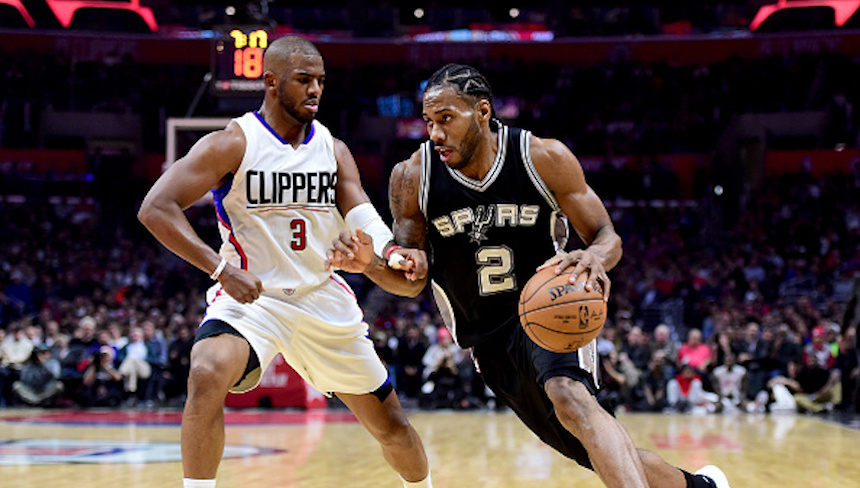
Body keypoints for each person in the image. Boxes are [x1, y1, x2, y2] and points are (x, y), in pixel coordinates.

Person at [331, 63, 731, 488]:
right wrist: (372, 265)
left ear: (482, 112)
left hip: (550, 308)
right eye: (429, 121)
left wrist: (594, 257)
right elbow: (411, 281)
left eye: (446, 119)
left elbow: (606, 236)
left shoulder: (542, 157)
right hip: (486, 336)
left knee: (569, 397)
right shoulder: (413, 177)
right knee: (586, 448)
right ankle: (700, 487)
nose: (435, 133)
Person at [137, 35, 432, 488]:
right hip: (253, 300)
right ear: (271, 82)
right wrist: (220, 270)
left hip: (320, 296)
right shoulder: (233, 143)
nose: (315, 89)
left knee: (393, 428)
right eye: (303, 80)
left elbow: (362, 216)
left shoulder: (333, 150)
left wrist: (391, 253)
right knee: (206, 370)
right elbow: (155, 207)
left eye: (320, 81)